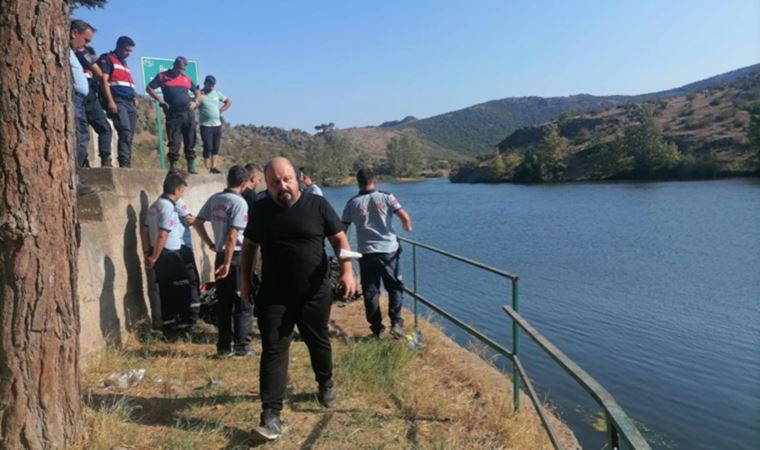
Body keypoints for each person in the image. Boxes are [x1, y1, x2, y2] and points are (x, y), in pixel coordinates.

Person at [240, 157, 356, 440]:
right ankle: (270, 415)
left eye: (287, 179)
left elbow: (339, 239)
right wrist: (244, 281)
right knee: (273, 350)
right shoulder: (260, 209)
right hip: (274, 294)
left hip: (314, 292)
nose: (283, 186)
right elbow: (250, 245)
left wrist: (347, 271)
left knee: (318, 341)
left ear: (297, 178)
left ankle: (325, 383)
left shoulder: (317, 205)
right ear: (267, 185)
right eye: (275, 182)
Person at [342, 167, 413, 338]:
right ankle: (396, 324)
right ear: (375, 181)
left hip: (366, 253)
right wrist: (407, 227)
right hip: (389, 251)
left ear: (358, 183)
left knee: (371, 291)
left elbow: (342, 229)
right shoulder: (387, 197)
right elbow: (403, 216)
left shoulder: (352, 203)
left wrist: (344, 252)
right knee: (394, 287)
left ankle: (377, 329)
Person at [194, 166, 254, 357]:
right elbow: (232, 236)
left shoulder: (215, 199)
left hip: (220, 254)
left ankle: (224, 347)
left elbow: (197, 222)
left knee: (224, 303)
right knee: (243, 302)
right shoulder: (239, 203)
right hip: (235, 257)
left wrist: (211, 244)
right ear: (244, 184)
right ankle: (242, 346)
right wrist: (228, 263)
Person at [143, 173, 204, 334]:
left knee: (166, 289)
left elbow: (145, 231)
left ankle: (169, 325)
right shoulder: (168, 206)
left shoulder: (154, 205)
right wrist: (155, 256)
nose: (182, 194)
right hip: (169, 253)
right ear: (177, 190)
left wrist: (148, 253)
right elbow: (163, 234)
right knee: (182, 286)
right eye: (182, 190)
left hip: (159, 252)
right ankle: (184, 324)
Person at [146, 57, 203, 173]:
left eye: (183, 69)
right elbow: (149, 88)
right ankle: (173, 167)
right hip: (173, 114)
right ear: (175, 65)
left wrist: (195, 102)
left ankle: (191, 166)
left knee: (190, 139)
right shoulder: (163, 76)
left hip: (188, 113)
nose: (181, 71)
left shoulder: (186, 78)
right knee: (174, 141)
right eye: (180, 68)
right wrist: (160, 100)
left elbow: (197, 92)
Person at [98, 36, 137, 168]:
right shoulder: (108, 58)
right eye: (126, 50)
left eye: (130, 51)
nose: (128, 54)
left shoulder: (124, 63)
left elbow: (127, 82)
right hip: (118, 101)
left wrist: (134, 97)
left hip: (130, 102)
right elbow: (104, 81)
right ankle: (124, 163)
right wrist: (110, 101)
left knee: (130, 135)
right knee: (124, 130)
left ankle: (127, 162)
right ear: (119, 47)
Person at [69, 20, 96, 195]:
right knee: (79, 138)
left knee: (82, 136)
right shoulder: (62, 50)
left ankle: (76, 177)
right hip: (74, 99)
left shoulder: (71, 53)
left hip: (79, 100)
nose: (84, 45)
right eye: (85, 40)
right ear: (74, 33)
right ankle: (74, 180)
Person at [75, 45, 113, 167]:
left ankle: (85, 161)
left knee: (82, 132)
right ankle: (103, 160)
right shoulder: (82, 54)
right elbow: (100, 73)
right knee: (101, 129)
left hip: (83, 97)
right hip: (87, 97)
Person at [198, 75, 232, 173]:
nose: (212, 86)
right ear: (205, 83)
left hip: (217, 125)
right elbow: (194, 104)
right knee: (208, 147)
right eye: (210, 84)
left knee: (216, 147)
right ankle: (206, 167)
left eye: (213, 85)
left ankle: (213, 167)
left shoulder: (216, 93)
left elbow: (228, 102)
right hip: (205, 125)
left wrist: (221, 110)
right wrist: (197, 98)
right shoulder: (200, 94)